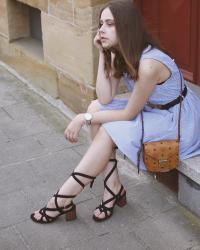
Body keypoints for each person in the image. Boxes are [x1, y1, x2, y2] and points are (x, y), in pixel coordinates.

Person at [30, 0, 200, 224]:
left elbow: (129, 114)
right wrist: (102, 53)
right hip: (152, 109)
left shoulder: (149, 64)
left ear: (127, 27)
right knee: (95, 107)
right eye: (101, 23)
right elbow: (105, 98)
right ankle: (113, 187)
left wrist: (83, 119)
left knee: (104, 127)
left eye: (110, 24)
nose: (101, 29)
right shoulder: (121, 52)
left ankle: (62, 199)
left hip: (176, 119)